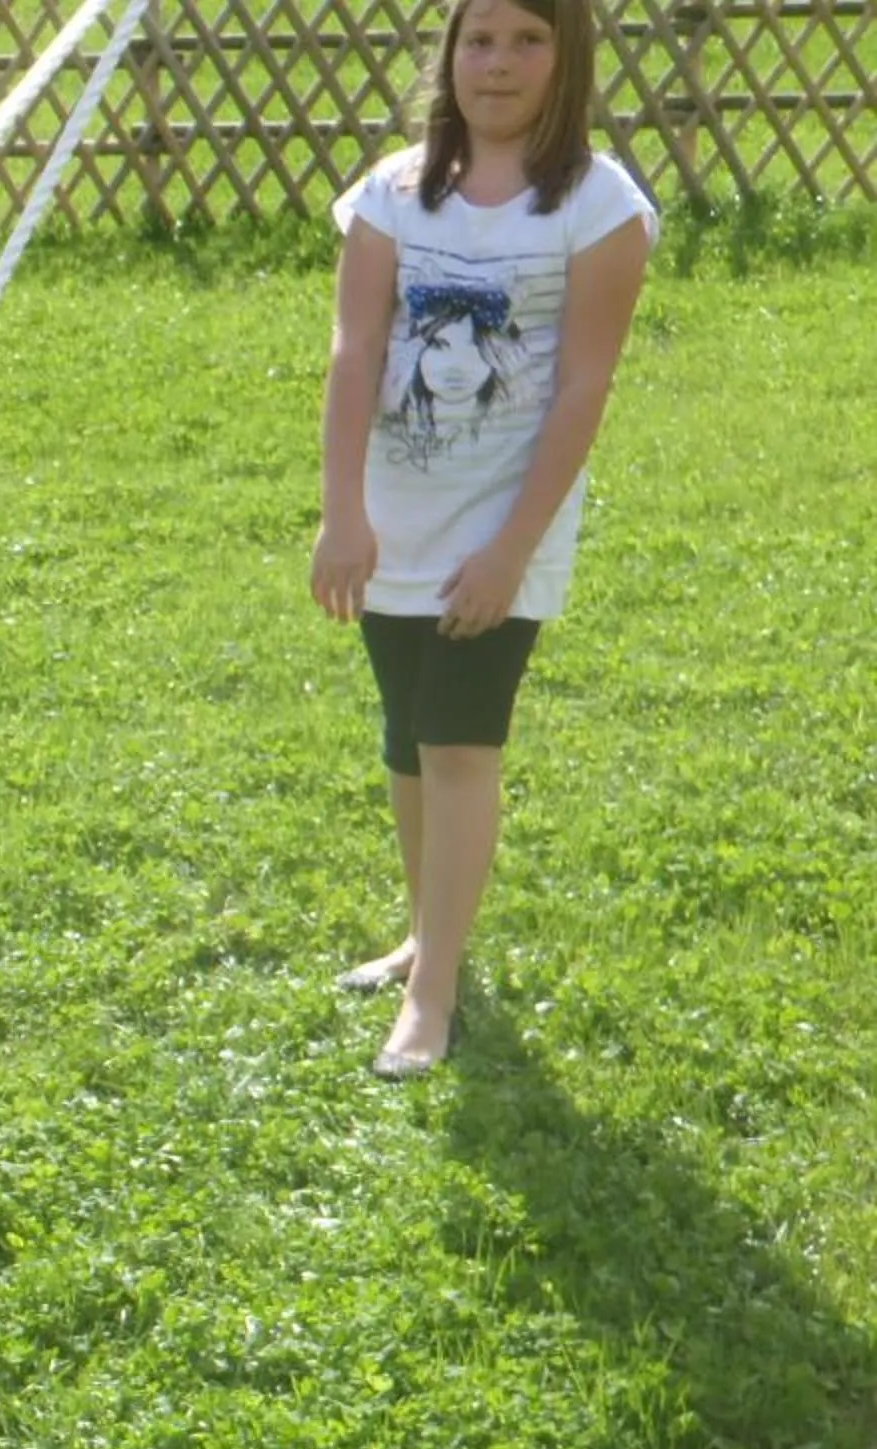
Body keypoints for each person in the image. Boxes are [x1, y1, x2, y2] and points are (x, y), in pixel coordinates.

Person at [309, 0, 653, 1078]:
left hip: (503, 529)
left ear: (570, 59)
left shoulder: (595, 208)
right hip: (391, 523)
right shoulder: (392, 195)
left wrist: (512, 548)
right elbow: (356, 353)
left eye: (529, 40)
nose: (498, 63)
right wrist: (342, 514)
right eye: (479, 38)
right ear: (449, 56)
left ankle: (436, 992)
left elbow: (585, 387)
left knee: (460, 743)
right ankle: (426, 932)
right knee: (408, 739)